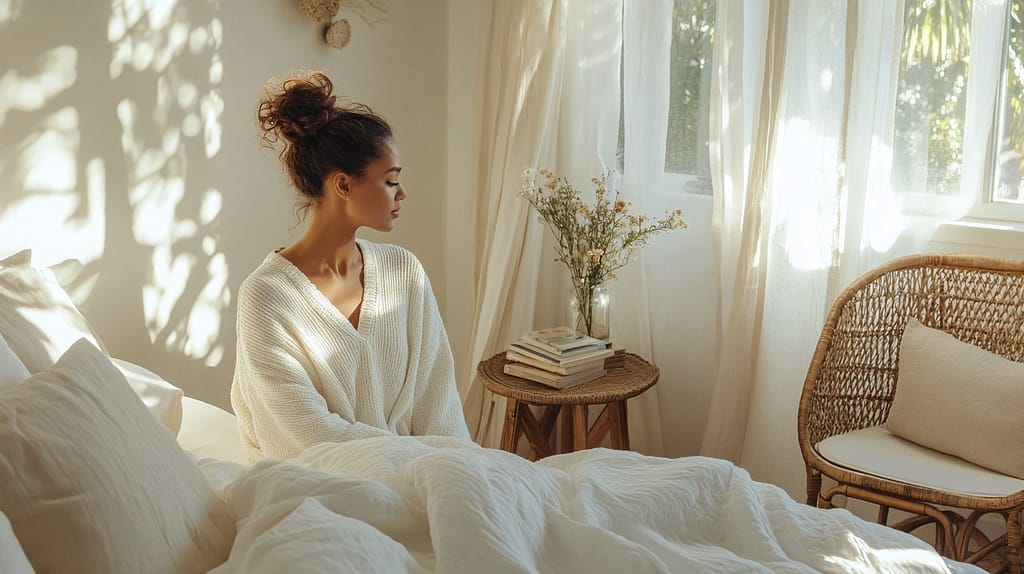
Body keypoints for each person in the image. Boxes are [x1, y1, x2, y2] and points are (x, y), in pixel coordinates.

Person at [231, 71, 470, 461]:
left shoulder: (404, 271)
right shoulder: (266, 298)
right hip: (323, 492)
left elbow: (439, 408)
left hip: (424, 479)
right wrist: (416, 464)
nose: (402, 193)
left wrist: (461, 472)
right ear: (343, 186)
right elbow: (306, 436)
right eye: (391, 182)